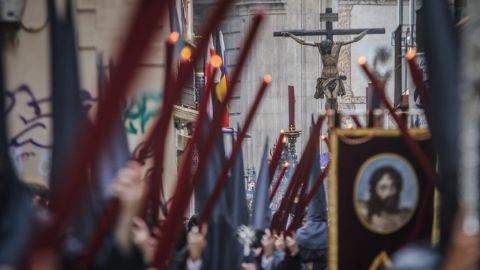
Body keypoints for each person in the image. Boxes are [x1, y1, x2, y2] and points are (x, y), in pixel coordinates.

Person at [283, 30, 369, 110]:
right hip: (325, 78)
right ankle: (328, 118)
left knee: (334, 99)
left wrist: (365, 32)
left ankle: (335, 119)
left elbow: (355, 39)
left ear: (330, 46)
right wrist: (291, 35)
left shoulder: (338, 45)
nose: (326, 51)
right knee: (329, 99)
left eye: (327, 49)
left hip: (335, 78)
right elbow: (303, 42)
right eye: (325, 50)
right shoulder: (320, 47)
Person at [357, 166, 413, 234]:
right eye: (383, 188)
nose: (390, 192)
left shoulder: (406, 215)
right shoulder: (364, 212)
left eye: (393, 185)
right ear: (374, 191)